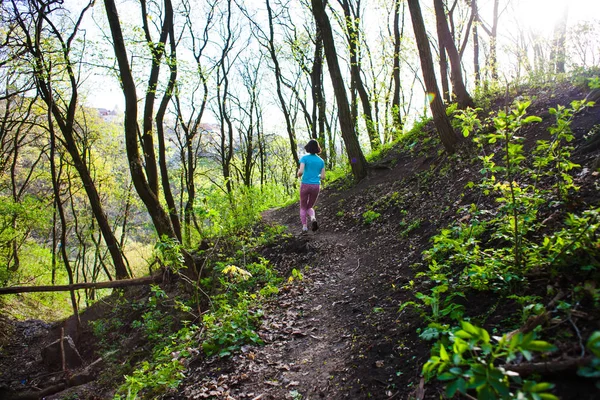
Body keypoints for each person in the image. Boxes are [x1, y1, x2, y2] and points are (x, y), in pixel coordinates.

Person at [297, 139, 325, 234]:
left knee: (303, 207)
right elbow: (323, 177)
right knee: (310, 206)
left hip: (305, 184)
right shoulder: (321, 161)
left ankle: (304, 227)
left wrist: (298, 174)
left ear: (308, 147)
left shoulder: (304, 158)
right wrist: (316, 176)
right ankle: (313, 218)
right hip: (316, 186)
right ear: (317, 148)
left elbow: (300, 172)